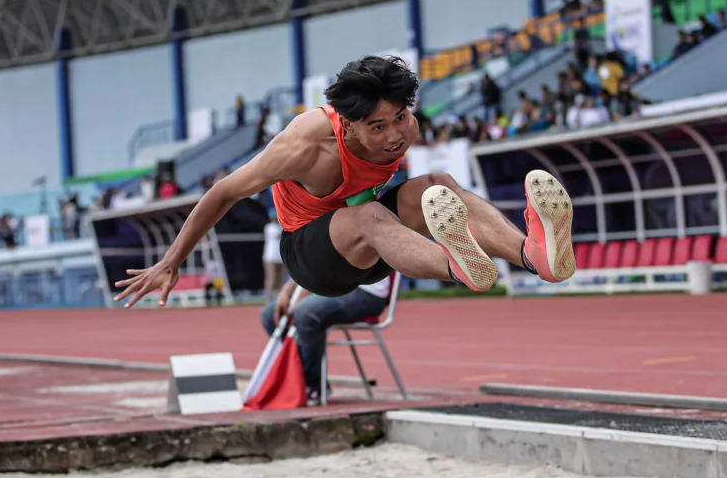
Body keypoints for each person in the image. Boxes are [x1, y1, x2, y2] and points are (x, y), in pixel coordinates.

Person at [115, 56, 576, 307]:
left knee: (438, 184)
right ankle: (457, 266)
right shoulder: (303, 145)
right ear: (347, 125)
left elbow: (379, 186)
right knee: (368, 213)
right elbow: (222, 193)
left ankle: (533, 256)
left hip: (374, 246)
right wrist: (171, 262)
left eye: (400, 118)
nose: (396, 136)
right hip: (312, 258)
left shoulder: (407, 126)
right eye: (379, 127)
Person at [261, 275, 391, 404]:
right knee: (269, 314)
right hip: (328, 286)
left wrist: (306, 293)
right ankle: (297, 378)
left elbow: (332, 265)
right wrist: (286, 291)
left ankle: (312, 385)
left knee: (305, 311)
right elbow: (307, 267)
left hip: (365, 291)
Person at [262, 209, 285, 298]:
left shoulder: (282, 226)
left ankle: (280, 297)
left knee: (280, 279)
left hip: (280, 256)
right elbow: (279, 235)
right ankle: (269, 296)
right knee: (271, 277)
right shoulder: (269, 227)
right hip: (270, 256)